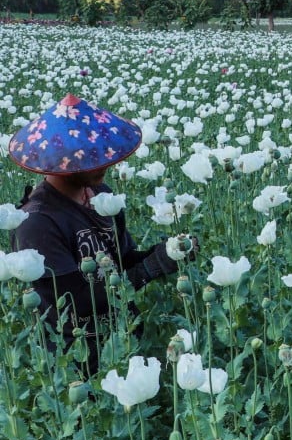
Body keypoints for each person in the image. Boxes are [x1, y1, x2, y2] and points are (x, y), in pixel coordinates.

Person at [8, 93, 193, 374]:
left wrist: (165, 253)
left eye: (103, 152)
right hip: (77, 359)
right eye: (91, 156)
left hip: (124, 340)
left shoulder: (102, 196)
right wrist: (150, 269)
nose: (106, 162)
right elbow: (77, 302)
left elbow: (122, 259)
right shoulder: (37, 222)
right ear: (61, 159)